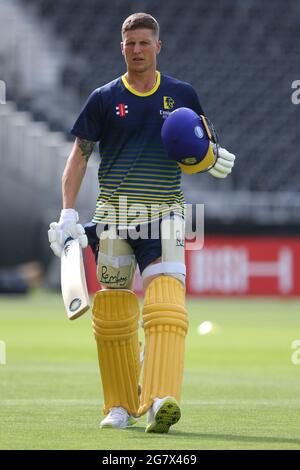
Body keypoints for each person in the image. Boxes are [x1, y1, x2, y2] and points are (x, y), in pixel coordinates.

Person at [48, 12, 235, 433]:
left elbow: (200, 146)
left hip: (165, 217)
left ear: (158, 46)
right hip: (113, 218)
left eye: (144, 43)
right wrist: (66, 212)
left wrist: (212, 157)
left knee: (167, 307)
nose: (137, 50)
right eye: (130, 43)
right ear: (122, 47)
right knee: (113, 315)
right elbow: (79, 155)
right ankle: (118, 405)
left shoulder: (182, 94)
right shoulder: (103, 98)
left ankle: (159, 400)